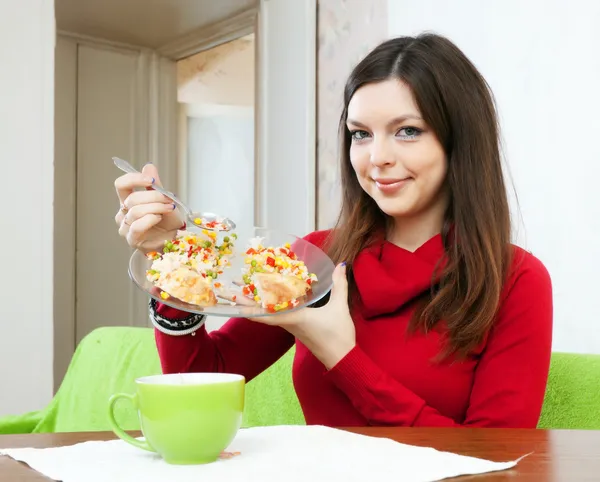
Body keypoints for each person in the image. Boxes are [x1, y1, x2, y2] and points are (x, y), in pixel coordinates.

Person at [113, 33, 553, 428]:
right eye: (360, 134)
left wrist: (341, 357)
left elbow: (497, 462)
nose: (376, 157)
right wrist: (174, 258)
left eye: (407, 131)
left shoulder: (516, 279)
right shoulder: (315, 258)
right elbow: (199, 381)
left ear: (460, 141)